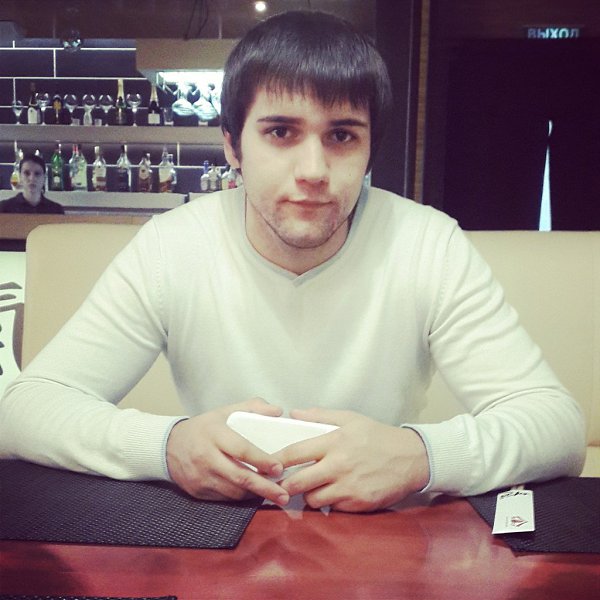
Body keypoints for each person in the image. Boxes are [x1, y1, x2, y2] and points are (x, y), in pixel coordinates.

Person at [0, 11, 585, 512]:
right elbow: (25, 409)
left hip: (382, 543)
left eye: (342, 136)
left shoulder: (429, 244)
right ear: (233, 145)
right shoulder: (170, 247)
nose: (313, 170)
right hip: (214, 538)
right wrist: (167, 445)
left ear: (369, 151)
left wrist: (421, 455)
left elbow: (555, 425)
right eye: (281, 132)